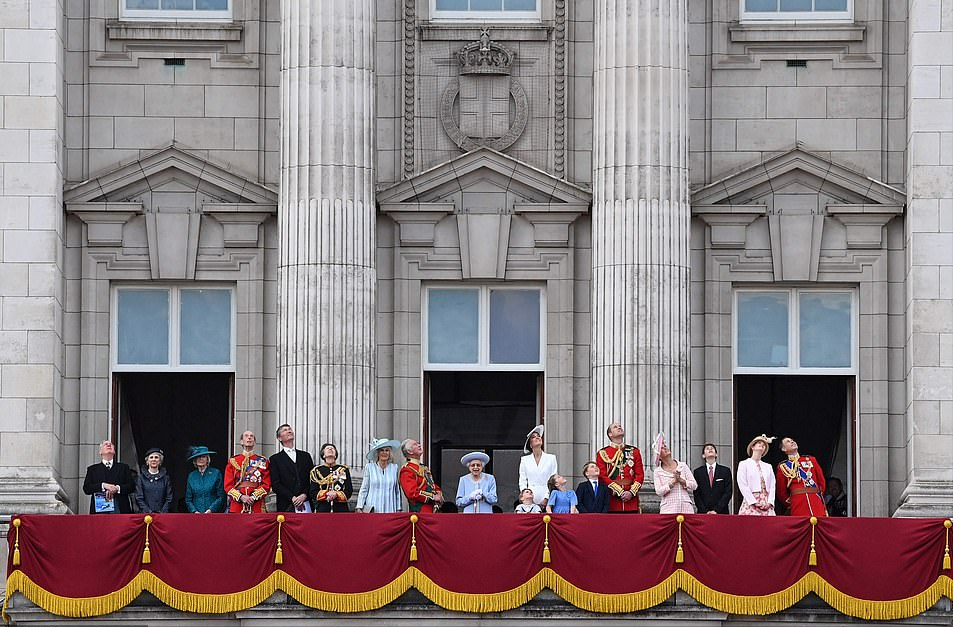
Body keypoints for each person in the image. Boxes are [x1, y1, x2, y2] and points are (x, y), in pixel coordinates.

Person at [596, 422, 644, 512]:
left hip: (631, 501)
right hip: (612, 500)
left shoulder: (634, 451)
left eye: (620, 426)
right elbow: (602, 476)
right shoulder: (603, 453)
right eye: (615, 427)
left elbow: (639, 475)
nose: (619, 428)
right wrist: (619, 491)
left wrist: (631, 492)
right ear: (610, 434)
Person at [269, 424, 315, 513]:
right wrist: (292, 497)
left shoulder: (305, 456)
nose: (289, 431)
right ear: (279, 438)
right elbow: (275, 484)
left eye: (290, 429)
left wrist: (304, 494)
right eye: (285, 430)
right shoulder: (275, 459)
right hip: (286, 504)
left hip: (306, 502)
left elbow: (312, 479)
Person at [776, 437, 828, 517]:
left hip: (815, 502)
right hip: (798, 504)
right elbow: (781, 492)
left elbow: (821, 482)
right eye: (788, 441)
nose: (792, 442)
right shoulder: (783, 467)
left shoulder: (811, 460)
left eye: (792, 440)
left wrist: (818, 495)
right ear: (784, 449)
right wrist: (792, 502)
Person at [224, 430, 271, 513]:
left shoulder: (263, 461)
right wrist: (241, 497)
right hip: (237, 506)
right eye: (246, 436)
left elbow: (266, 484)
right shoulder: (233, 461)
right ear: (241, 442)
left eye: (251, 436)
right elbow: (228, 486)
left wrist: (253, 497)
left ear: (254, 442)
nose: (249, 437)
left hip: (256, 505)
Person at [83, 440, 134, 514]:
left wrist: (117, 488)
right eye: (105, 444)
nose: (109, 445)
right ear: (100, 452)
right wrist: (103, 485)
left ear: (114, 451)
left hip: (120, 509)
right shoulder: (92, 469)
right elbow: (86, 488)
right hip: (99, 510)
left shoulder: (124, 467)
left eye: (111, 444)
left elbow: (132, 486)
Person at [653, 434, 697, 514]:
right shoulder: (658, 471)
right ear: (659, 457)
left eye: (665, 446)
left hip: (686, 508)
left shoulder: (683, 465)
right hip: (668, 509)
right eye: (661, 448)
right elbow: (659, 491)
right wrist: (672, 482)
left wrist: (681, 480)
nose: (665, 448)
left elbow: (694, 485)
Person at [356, 438, 402, 513]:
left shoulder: (394, 468)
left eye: (387, 450)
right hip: (373, 508)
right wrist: (359, 506)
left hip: (390, 508)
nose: (384, 453)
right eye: (382, 450)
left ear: (390, 453)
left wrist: (398, 508)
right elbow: (364, 488)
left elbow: (397, 490)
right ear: (377, 453)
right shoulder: (369, 467)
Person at [398, 438, 444, 513]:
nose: (419, 445)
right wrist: (432, 497)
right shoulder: (407, 470)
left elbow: (432, 485)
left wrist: (438, 493)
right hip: (420, 511)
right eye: (415, 444)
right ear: (409, 451)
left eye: (418, 443)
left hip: (434, 510)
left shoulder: (423, 467)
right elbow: (412, 493)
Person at [518, 425, 558, 507]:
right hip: (530, 499)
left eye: (538, 436)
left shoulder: (551, 458)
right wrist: (527, 497)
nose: (537, 438)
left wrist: (547, 498)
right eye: (533, 437)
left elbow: (553, 480)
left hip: (548, 498)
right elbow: (522, 481)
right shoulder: (525, 460)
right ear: (530, 445)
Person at [737, 434, 776, 516]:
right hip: (751, 500)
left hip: (766, 502)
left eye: (764, 445)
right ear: (752, 446)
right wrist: (753, 502)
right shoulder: (744, 464)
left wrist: (770, 502)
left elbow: (772, 486)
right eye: (759, 443)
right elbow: (742, 484)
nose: (762, 445)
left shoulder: (768, 466)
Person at [309, 442, 353, 512]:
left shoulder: (343, 470)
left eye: (332, 448)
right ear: (323, 455)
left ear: (335, 455)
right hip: (322, 509)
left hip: (340, 509)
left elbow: (349, 490)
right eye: (327, 448)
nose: (330, 449)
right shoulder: (316, 471)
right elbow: (313, 492)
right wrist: (326, 494)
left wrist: (336, 494)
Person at [692, 443, 733, 514]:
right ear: (703, 455)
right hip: (703, 513)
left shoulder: (725, 471)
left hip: (722, 512)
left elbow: (728, 492)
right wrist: (705, 511)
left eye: (712, 448)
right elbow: (696, 494)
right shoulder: (698, 472)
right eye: (707, 449)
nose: (710, 449)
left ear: (716, 454)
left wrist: (717, 510)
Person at [185, 445, 225, 513]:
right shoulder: (191, 476)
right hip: (196, 515)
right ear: (195, 460)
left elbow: (221, 496)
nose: (201, 459)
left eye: (203, 457)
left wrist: (211, 510)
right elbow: (188, 499)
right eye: (198, 457)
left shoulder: (216, 473)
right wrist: (194, 511)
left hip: (213, 514)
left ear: (207, 459)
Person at [135, 448, 174, 514]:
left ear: (160, 461)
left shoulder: (166, 478)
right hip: (145, 515)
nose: (154, 459)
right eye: (151, 457)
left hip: (163, 515)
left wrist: (162, 512)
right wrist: (149, 512)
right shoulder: (141, 478)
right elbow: (139, 498)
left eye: (156, 457)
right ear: (147, 461)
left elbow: (169, 498)